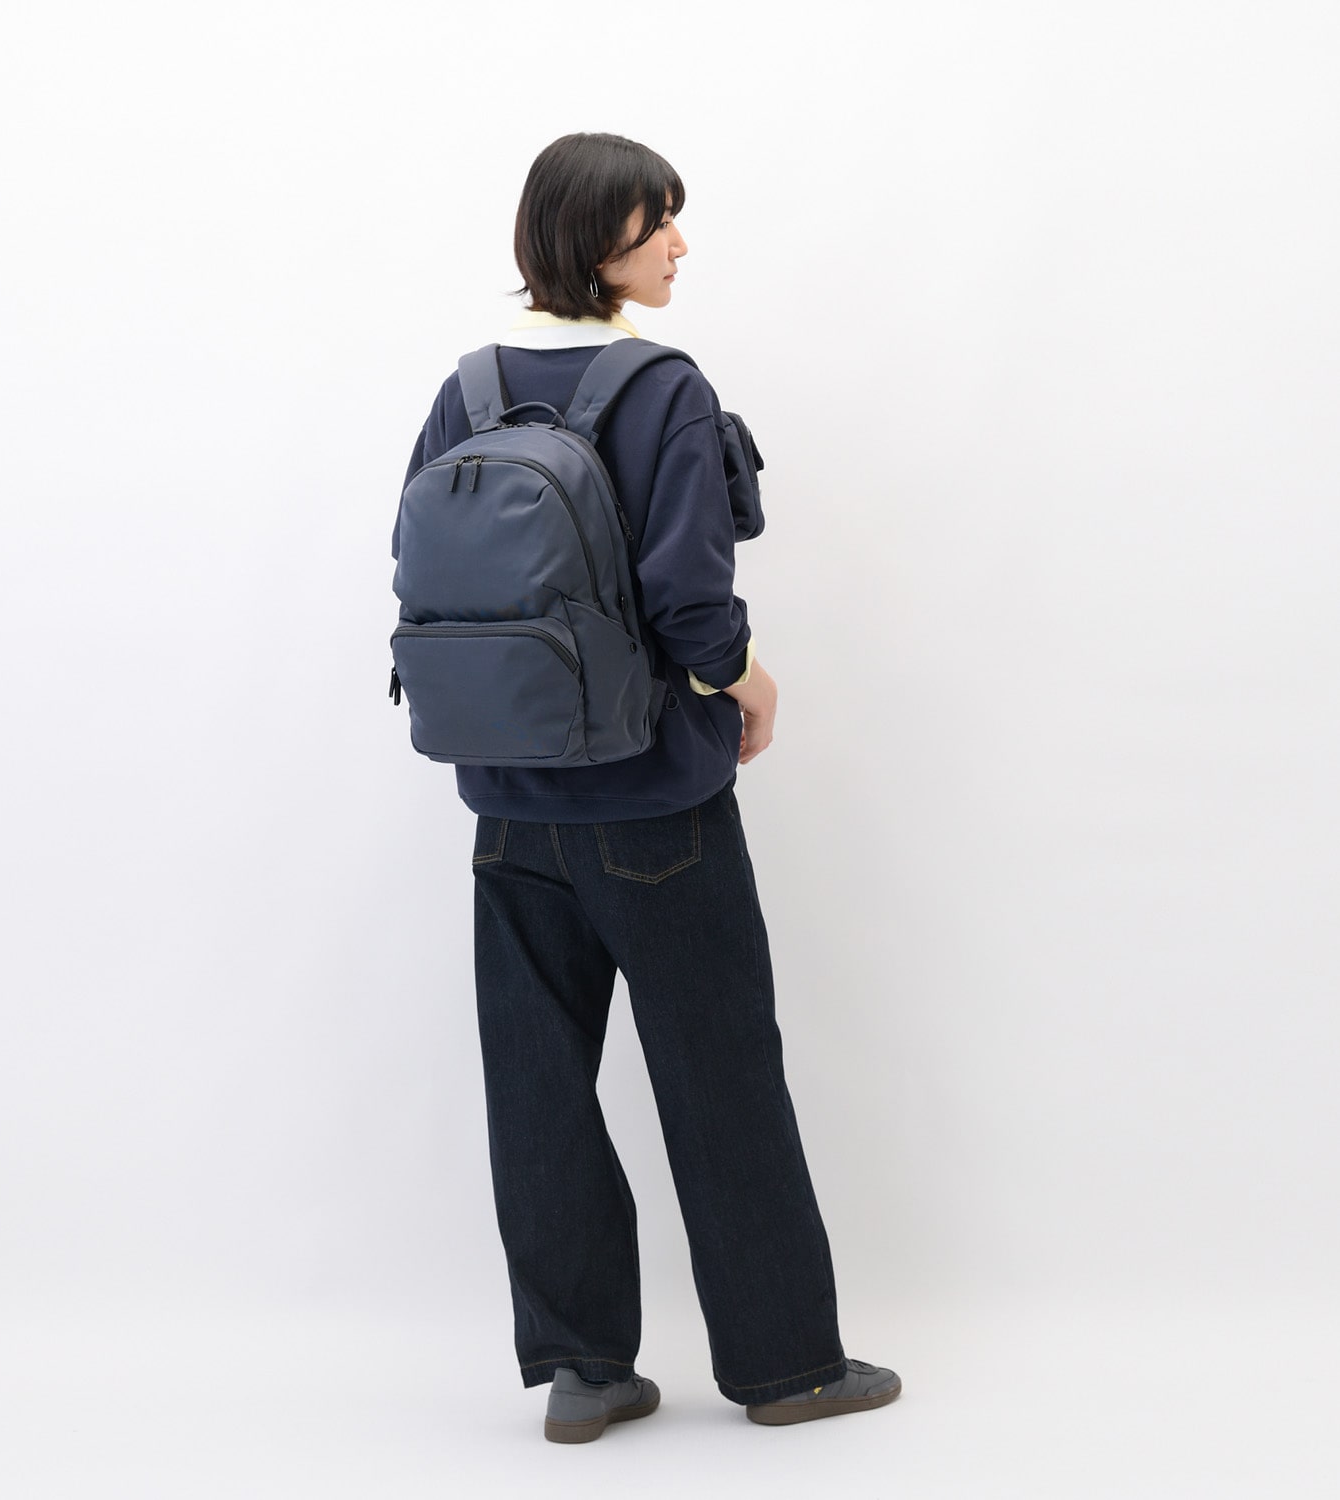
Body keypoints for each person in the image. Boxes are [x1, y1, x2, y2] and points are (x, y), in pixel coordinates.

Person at [394, 132, 901, 1442]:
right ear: (592, 240)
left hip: (510, 805)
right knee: (721, 1071)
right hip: (652, 805)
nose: (678, 244)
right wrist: (750, 683)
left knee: (538, 1085)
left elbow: (424, 576)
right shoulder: (663, 388)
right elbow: (687, 602)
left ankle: (582, 1371)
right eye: (654, 221)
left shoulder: (467, 389)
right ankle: (787, 1368)